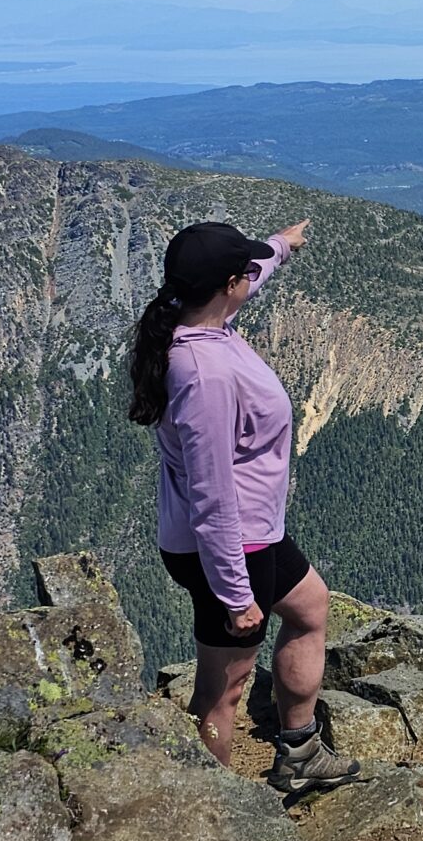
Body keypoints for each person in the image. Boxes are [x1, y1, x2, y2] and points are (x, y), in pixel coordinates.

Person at [126, 217, 359, 793]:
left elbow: (255, 273)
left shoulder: (205, 315)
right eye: (242, 272)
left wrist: (283, 245)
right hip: (230, 547)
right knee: (223, 690)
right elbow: (211, 494)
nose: (248, 279)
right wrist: (235, 595)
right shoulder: (203, 374)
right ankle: (216, 808)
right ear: (225, 284)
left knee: (310, 608)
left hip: (258, 533)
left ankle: (299, 752)